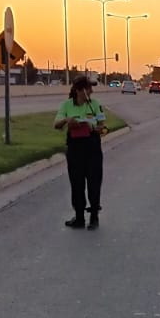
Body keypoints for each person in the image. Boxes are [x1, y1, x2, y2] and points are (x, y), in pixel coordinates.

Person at [54, 77, 106, 229]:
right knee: (76, 183)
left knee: (94, 182)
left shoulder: (95, 105)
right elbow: (56, 124)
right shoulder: (66, 105)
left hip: (92, 147)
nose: (91, 91)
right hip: (75, 148)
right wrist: (67, 121)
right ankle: (79, 217)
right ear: (79, 90)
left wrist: (93, 127)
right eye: (88, 88)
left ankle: (94, 216)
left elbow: (102, 126)